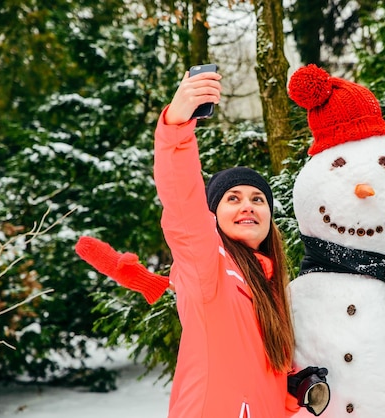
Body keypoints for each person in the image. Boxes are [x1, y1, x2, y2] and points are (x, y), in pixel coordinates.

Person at [76, 68, 328, 417]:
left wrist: (294, 388)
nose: (247, 206)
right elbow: (183, 203)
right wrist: (176, 127)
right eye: (233, 198)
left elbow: (258, 371)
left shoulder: (271, 283)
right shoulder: (210, 266)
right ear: (213, 216)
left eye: (258, 199)